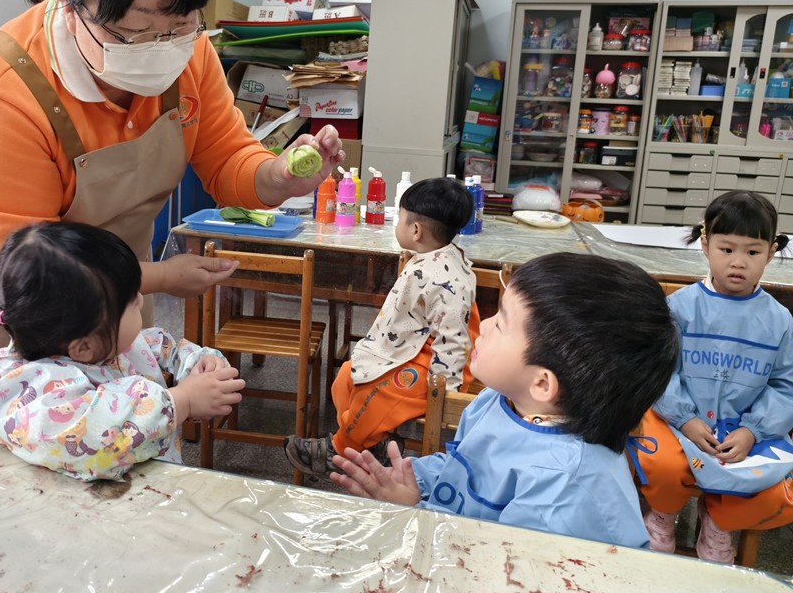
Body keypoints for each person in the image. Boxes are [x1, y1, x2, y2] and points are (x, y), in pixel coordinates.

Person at [0, 0, 343, 416]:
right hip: (15, 283)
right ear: (70, 7)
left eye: (181, 25)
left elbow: (228, 155)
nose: (162, 49)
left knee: (119, 418)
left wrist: (276, 177)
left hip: (118, 275)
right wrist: (159, 276)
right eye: (133, 32)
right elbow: (31, 273)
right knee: (16, 428)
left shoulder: (188, 54)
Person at [329, 253, 679, 550]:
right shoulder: (500, 401)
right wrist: (410, 478)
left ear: (542, 383)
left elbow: (495, 568)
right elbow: (462, 468)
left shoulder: (561, 486)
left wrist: (415, 514)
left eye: (501, 323)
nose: (484, 325)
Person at [0, 221, 246, 482]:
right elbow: (98, 434)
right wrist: (183, 400)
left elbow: (168, 348)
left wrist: (202, 365)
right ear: (84, 346)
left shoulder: (115, 344)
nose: (141, 299)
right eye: (131, 301)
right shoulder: (36, 390)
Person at [636, 191, 793, 564]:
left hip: (746, 430)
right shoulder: (679, 307)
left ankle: (720, 522)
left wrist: (753, 430)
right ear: (705, 245)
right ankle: (663, 515)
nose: (738, 262)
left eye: (752, 252)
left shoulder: (780, 320)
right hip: (677, 420)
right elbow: (659, 370)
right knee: (661, 462)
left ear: (771, 253)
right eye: (726, 249)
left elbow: (786, 386)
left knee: (780, 488)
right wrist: (685, 419)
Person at [284, 177, 476, 477]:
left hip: (435, 365)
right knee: (346, 377)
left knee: (376, 394)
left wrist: (444, 394)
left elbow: (453, 343)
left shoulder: (446, 279)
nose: (397, 224)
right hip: (409, 347)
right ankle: (375, 445)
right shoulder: (429, 257)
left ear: (416, 230)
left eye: (399, 218)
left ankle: (340, 451)